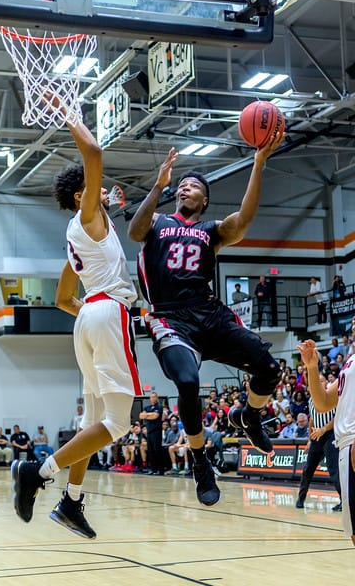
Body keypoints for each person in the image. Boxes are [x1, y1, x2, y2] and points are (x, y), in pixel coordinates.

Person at [128, 133, 284, 506]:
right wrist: (158, 186)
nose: (184, 188)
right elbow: (133, 231)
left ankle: (248, 414)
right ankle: (200, 460)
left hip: (209, 313)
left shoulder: (210, 231)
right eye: (181, 185)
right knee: (186, 380)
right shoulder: (157, 222)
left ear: (205, 199)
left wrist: (258, 163)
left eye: (192, 186)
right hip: (170, 318)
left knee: (270, 369)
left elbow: (244, 220)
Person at [11, 94, 141, 538]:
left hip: (88, 314)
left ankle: (71, 501)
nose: (104, 189)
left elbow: (64, 296)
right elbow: (95, 152)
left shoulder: (76, 236)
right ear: (80, 194)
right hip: (106, 312)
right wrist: (67, 111)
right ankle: (41, 471)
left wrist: (89, 311)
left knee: (92, 424)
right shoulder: (88, 215)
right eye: (96, 187)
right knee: (119, 423)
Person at [298, 336, 355, 545]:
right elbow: (322, 403)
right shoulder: (350, 362)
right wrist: (311, 367)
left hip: (345, 438)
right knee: (353, 530)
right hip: (344, 445)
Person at [295, 375, 341, 512]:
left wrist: (324, 429)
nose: (318, 383)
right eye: (315, 381)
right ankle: (301, 498)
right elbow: (312, 421)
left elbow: (337, 417)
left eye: (320, 380)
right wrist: (310, 439)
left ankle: (344, 501)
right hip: (316, 437)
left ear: (326, 382)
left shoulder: (332, 396)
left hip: (329, 435)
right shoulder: (310, 400)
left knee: (334, 470)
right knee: (307, 469)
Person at [139, 391, 163, 475]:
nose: (153, 398)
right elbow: (141, 416)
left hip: (156, 431)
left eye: (154, 397)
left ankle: (160, 469)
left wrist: (147, 415)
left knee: (157, 450)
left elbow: (155, 416)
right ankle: (153, 469)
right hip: (149, 432)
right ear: (150, 398)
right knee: (151, 451)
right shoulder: (147, 407)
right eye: (151, 397)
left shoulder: (159, 407)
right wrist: (150, 414)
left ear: (157, 398)